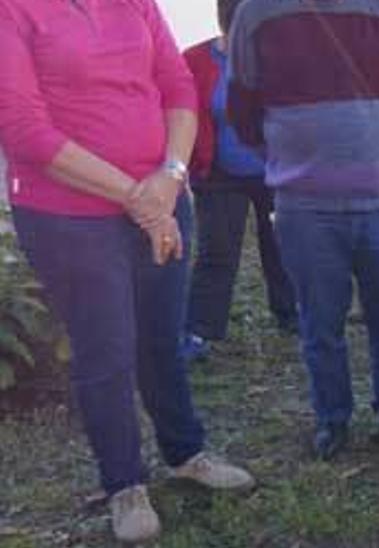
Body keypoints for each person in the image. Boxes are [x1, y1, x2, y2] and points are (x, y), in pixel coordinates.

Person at [0, 0, 255, 542]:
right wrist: (140, 199)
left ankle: (185, 452)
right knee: (106, 348)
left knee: (162, 337)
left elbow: (179, 87)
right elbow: (24, 129)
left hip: (160, 195)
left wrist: (172, 173)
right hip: (68, 215)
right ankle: (124, 484)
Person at [227, 0, 379, 460]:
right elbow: (242, 107)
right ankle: (332, 419)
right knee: (321, 323)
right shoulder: (257, 14)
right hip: (305, 208)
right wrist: (295, 162)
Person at [180, 0, 297, 363]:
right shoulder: (194, 60)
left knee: (283, 246)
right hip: (217, 174)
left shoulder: (280, 54)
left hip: (275, 169)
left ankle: (292, 316)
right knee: (217, 252)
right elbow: (182, 112)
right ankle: (200, 330)